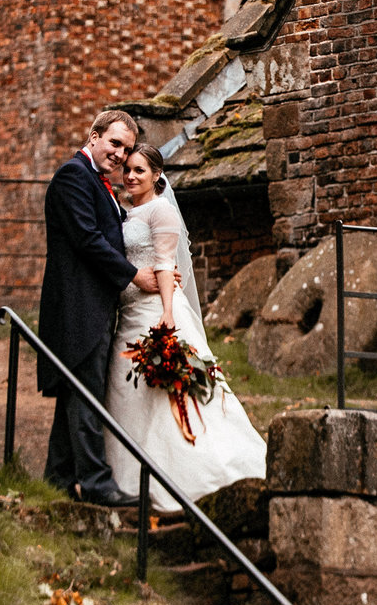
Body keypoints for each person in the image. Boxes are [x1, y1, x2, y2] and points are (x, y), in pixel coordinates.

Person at [103, 144, 267, 510]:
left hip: (156, 312)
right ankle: (125, 475)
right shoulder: (127, 213)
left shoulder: (161, 210)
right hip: (129, 312)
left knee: (171, 396)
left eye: (139, 170)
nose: (130, 176)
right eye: (127, 169)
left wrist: (167, 315)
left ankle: (192, 473)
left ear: (157, 175)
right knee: (128, 393)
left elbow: (163, 263)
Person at [37, 108, 154, 505]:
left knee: (78, 392)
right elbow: (88, 240)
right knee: (86, 395)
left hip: (96, 307)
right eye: (115, 143)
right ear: (94, 136)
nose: (121, 154)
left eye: (127, 149)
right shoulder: (73, 176)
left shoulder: (99, 182)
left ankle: (57, 477)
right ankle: (96, 483)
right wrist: (134, 275)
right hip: (77, 307)